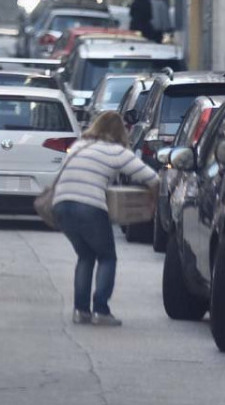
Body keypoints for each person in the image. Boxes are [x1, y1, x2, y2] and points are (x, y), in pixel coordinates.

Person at [52, 112, 159, 326]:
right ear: (120, 131)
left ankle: (80, 311)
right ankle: (101, 310)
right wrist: (152, 202)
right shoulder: (116, 152)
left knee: (85, 256)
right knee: (107, 257)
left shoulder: (78, 146)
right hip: (89, 206)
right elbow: (152, 178)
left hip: (61, 205)